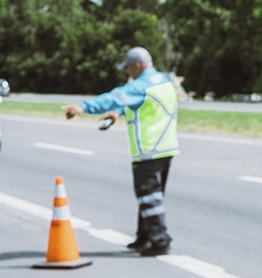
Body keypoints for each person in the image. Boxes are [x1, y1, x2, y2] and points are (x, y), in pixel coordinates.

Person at [63, 46, 180, 256]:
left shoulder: (141, 86)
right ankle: (144, 237)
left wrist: (83, 107)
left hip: (148, 149)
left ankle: (160, 241)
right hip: (166, 147)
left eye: (128, 69)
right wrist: (117, 113)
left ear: (137, 66)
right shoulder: (163, 82)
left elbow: (117, 97)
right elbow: (138, 105)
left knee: (149, 198)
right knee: (151, 196)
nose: (127, 73)